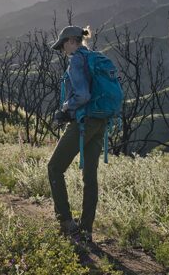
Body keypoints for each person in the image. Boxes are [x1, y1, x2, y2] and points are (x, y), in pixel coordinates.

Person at [48, 25, 107, 244]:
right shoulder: (95, 58)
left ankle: (66, 223)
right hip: (101, 122)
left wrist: (65, 108)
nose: (63, 49)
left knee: (54, 168)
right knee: (90, 177)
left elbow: (82, 95)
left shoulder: (76, 61)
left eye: (64, 44)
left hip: (83, 122)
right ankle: (87, 229)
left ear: (72, 41)